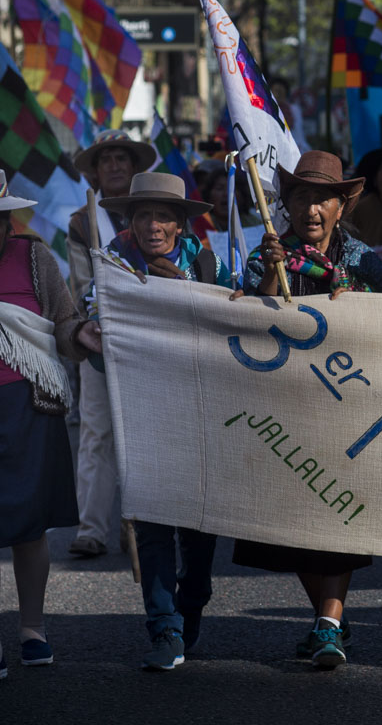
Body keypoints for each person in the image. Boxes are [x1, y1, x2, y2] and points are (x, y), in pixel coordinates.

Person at [231, 151, 382, 669]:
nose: (312, 210)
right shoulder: (267, 253)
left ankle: (327, 622)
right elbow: (247, 321)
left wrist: (349, 294)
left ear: (342, 207)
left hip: (345, 403)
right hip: (284, 406)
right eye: (302, 197)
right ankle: (329, 621)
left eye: (323, 199)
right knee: (293, 522)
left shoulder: (362, 260)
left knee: (338, 513)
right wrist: (272, 276)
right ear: (288, 204)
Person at [90, 173, 230, 670]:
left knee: (199, 526)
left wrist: (181, 292)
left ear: (180, 224)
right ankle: (164, 627)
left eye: (164, 216)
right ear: (130, 221)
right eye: (144, 215)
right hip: (142, 406)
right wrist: (95, 332)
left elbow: (232, 326)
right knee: (150, 524)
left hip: (200, 409)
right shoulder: (110, 262)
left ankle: (193, 598)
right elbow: (94, 329)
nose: (153, 225)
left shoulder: (209, 264)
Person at [0, 172, 101, 678]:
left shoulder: (35, 257)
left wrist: (82, 333)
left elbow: (63, 321)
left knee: (29, 525)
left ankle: (32, 629)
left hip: (27, 405)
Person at [66, 129, 157, 559]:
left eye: (122, 158)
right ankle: (91, 529)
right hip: (99, 337)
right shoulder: (83, 221)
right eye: (107, 160)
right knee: (96, 432)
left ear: (135, 168)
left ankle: (139, 523)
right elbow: (81, 283)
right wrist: (96, 324)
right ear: (96, 173)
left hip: (150, 339)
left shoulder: (154, 212)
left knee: (147, 433)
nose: (115, 165)